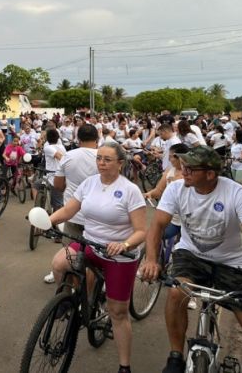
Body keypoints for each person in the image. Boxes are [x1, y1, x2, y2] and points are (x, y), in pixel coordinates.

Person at [140, 146, 242, 373]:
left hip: (231, 263)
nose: (184, 172)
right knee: (176, 293)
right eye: (184, 167)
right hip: (190, 256)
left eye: (190, 169)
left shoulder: (235, 192)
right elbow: (156, 226)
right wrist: (151, 260)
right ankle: (175, 356)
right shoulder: (175, 189)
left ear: (210, 174)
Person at [49, 144, 147, 373]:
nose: (101, 163)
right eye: (99, 158)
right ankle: (71, 302)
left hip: (119, 256)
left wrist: (124, 244)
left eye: (107, 159)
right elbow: (68, 211)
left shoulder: (130, 190)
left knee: (118, 313)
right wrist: (47, 220)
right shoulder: (89, 183)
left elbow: (141, 231)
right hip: (90, 244)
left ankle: (124, 366)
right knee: (58, 263)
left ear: (120, 163)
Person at [45, 123, 99, 284]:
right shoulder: (104, 158)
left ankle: (68, 287)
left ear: (78, 138)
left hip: (72, 214)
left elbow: (58, 185)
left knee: (69, 252)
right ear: (97, 139)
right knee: (96, 255)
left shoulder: (68, 156)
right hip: (98, 217)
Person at [42, 128, 66, 208]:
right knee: (37, 184)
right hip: (60, 175)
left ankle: (40, 207)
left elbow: (60, 157)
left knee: (57, 203)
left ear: (47, 138)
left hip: (53, 177)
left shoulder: (48, 148)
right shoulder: (62, 147)